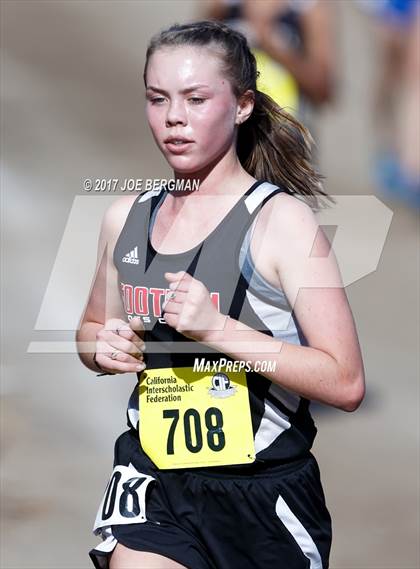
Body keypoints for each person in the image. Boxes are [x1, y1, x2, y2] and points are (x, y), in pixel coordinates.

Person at [76, 20, 365, 569]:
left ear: (242, 106)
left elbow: (346, 381)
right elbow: (91, 330)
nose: (173, 118)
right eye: (157, 99)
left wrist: (218, 329)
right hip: (156, 483)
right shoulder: (126, 218)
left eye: (196, 99)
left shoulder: (282, 223)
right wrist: (101, 347)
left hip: (264, 496)